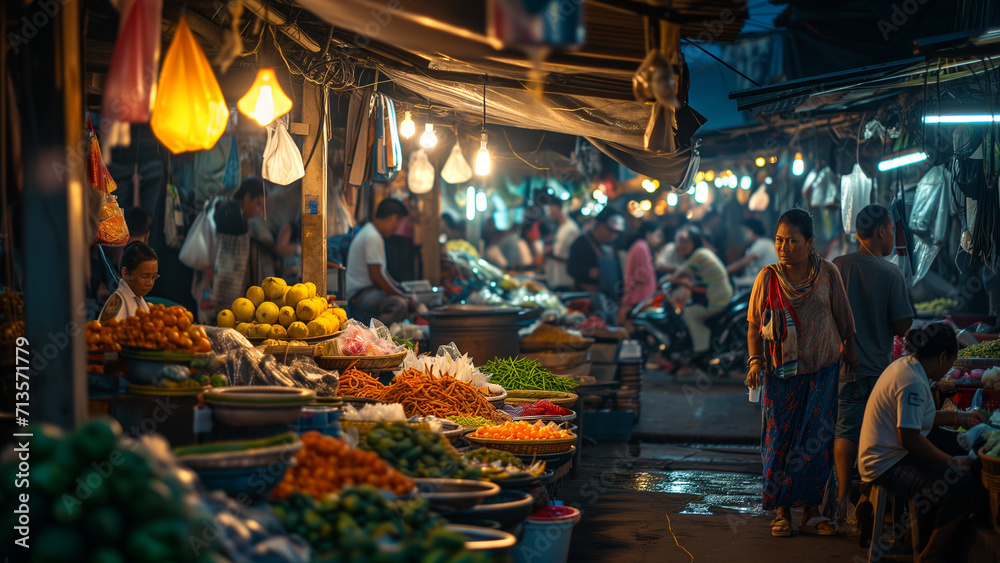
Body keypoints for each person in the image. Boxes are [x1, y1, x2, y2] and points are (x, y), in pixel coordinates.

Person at [745, 208, 857, 538]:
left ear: (809, 243)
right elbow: (753, 327)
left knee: (816, 442)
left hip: (822, 372)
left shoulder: (829, 274)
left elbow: (844, 319)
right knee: (779, 441)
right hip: (780, 376)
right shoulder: (766, 277)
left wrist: (851, 350)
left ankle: (810, 510)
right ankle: (781, 511)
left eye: (792, 241)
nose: (783, 247)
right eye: (779, 240)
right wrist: (754, 362)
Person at [858, 323, 982, 562]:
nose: (949, 369)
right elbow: (910, 439)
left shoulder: (909, 367)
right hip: (885, 463)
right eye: (950, 363)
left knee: (967, 446)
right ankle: (930, 554)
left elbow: (920, 419)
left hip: (895, 449)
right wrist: (951, 461)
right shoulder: (911, 381)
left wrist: (960, 417)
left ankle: (930, 539)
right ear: (942, 357)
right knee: (960, 484)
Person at [831, 204, 914, 530]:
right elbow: (904, 325)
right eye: (892, 230)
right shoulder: (890, 272)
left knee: (845, 431)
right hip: (878, 373)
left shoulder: (838, 265)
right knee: (879, 435)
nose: (893, 235)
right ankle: (868, 494)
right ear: (880, 230)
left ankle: (839, 501)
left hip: (842, 370)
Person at [346, 199, 420, 326]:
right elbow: (378, 278)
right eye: (399, 223)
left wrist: (402, 291)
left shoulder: (371, 232)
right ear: (393, 218)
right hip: (359, 295)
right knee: (399, 305)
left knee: (403, 300)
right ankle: (373, 338)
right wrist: (402, 296)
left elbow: (383, 274)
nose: (397, 228)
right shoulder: (373, 236)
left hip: (367, 292)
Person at [665, 226, 733, 355]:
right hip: (720, 296)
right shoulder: (702, 253)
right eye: (679, 241)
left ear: (695, 241)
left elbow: (677, 275)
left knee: (689, 314)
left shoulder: (698, 255)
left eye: (685, 241)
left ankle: (701, 351)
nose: (681, 245)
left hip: (716, 299)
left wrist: (661, 282)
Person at [212, 178, 265, 317]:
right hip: (226, 288)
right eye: (258, 204)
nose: (258, 210)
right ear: (247, 197)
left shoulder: (229, 209)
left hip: (226, 286)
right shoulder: (233, 214)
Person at [567, 208, 626, 320]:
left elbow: (619, 274)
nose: (613, 235)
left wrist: (621, 300)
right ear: (600, 224)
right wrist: (588, 273)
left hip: (610, 302)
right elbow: (571, 268)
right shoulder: (582, 242)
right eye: (610, 230)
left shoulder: (612, 247)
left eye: (617, 233)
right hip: (587, 303)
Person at [99, 241, 158, 322]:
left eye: (154, 277)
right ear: (125, 273)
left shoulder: (138, 298)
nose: (150, 283)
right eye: (145, 277)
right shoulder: (117, 302)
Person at [620, 222, 663, 325]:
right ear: (648, 234)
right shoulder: (641, 247)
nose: (659, 240)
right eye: (657, 235)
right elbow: (643, 274)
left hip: (640, 298)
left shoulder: (640, 246)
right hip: (639, 298)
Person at [728, 218, 779, 289]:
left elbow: (743, 262)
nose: (743, 235)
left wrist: (725, 271)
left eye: (745, 231)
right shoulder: (761, 243)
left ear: (751, 231)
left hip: (767, 285)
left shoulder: (762, 243)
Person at [544, 202, 580, 290]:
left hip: (565, 282)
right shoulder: (562, 227)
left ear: (557, 208)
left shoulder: (571, 228)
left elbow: (577, 258)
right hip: (555, 280)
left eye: (550, 208)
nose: (549, 212)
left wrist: (553, 255)